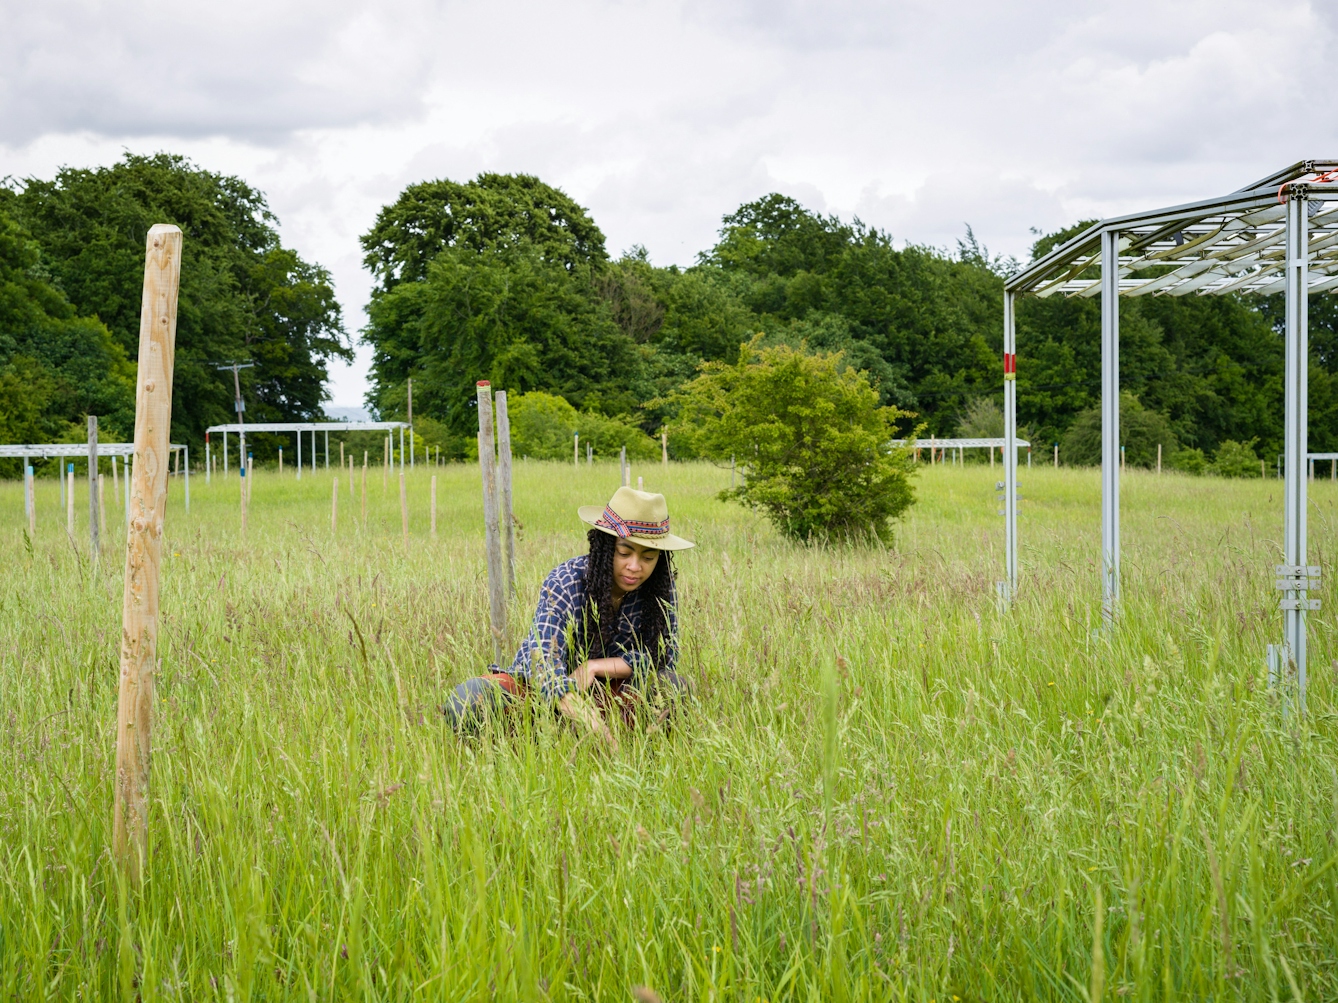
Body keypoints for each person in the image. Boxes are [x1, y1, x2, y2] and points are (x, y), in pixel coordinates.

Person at [444, 486, 694, 745]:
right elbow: (543, 665)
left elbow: (663, 659)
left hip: (615, 694)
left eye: (648, 557)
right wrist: (593, 724)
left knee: (673, 686)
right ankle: (519, 752)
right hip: (545, 695)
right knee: (469, 699)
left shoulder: (660, 591)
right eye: (624, 553)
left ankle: (642, 749)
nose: (634, 566)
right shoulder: (566, 581)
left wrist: (596, 667)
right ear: (607, 547)